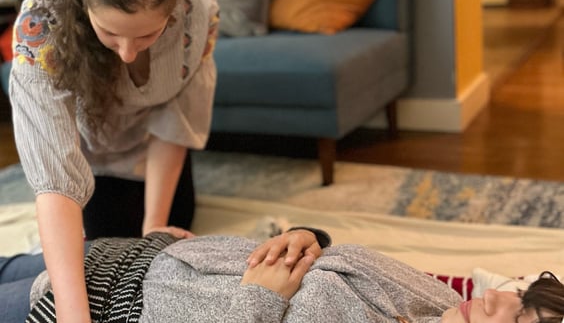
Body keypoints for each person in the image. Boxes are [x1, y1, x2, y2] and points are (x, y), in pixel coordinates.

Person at [8, 0, 320, 322]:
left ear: (172, 10)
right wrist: (72, 314)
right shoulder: (40, 25)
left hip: (152, 153)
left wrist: (154, 225)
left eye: (146, 35)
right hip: (84, 158)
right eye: (110, 33)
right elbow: (56, 181)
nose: (127, 53)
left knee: (164, 243)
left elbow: (176, 123)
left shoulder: (197, 8)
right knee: (87, 261)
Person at [1, 228, 563, 323]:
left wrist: (257, 304)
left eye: (515, 322)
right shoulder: (438, 299)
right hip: (141, 256)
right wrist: (304, 236)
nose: (497, 301)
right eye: (518, 297)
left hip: (102, 307)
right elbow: (330, 257)